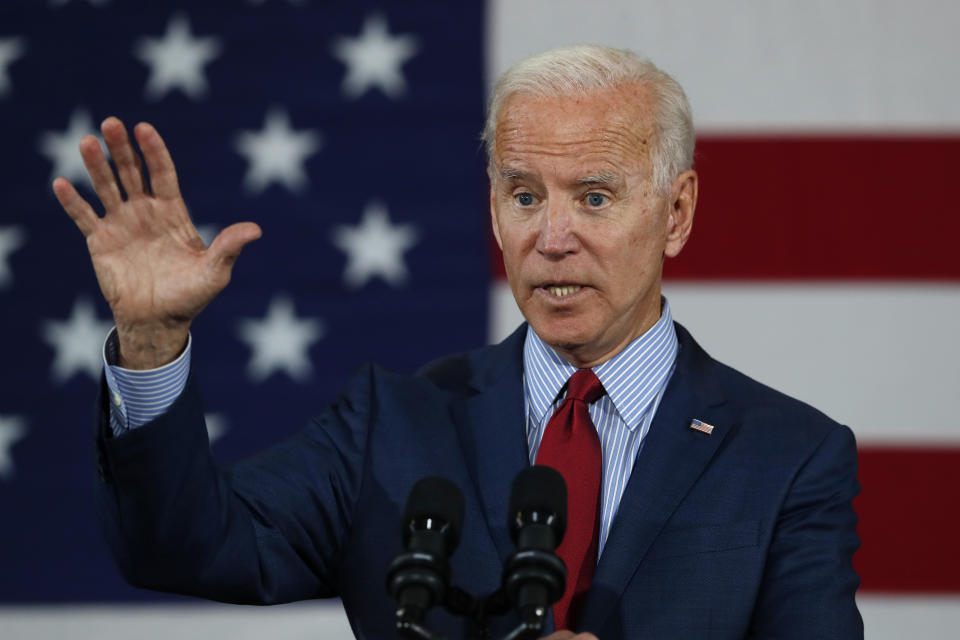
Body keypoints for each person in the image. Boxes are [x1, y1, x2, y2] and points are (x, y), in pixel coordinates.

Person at [53, 45, 863, 639]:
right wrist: (152, 341)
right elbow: (182, 547)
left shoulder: (788, 456)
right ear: (492, 210)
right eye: (523, 195)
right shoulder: (392, 424)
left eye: (593, 197)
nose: (553, 237)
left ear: (676, 214)